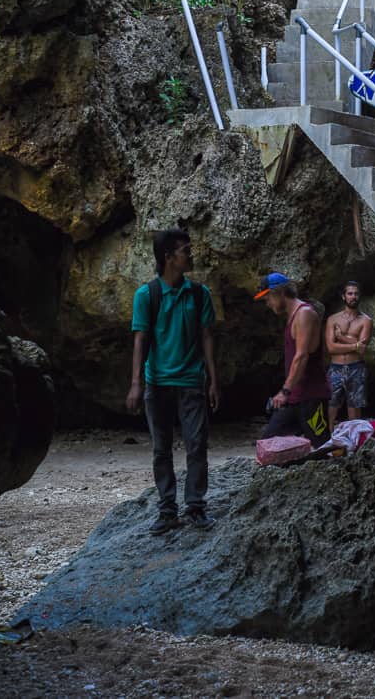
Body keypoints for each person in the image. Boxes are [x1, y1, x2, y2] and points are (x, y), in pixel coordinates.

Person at [127, 228, 219, 535]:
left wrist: (213, 381)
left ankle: (195, 507)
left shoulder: (199, 293)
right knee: (161, 449)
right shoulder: (147, 295)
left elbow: (207, 337)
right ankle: (167, 510)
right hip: (158, 383)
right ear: (168, 258)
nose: (190, 254)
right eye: (185, 250)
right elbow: (141, 340)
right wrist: (136, 384)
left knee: (197, 445)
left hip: (192, 381)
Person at [254, 272, 331, 446]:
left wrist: (284, 391)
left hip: (311, 396)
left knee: (322, 446)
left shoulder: (304, 313)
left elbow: (301, 356)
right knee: (268, 444)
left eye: (267, 298)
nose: (267, 303)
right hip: (295, 397)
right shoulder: (293, 316)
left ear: (279, 293)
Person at [325, 280, 374, 431]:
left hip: (356, 368)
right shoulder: (333, 319)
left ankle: (353, 442)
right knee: (331, 404)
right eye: (350, 293)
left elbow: (362, 350)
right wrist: (354, 344)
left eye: (356, 293)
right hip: (336, 368)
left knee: (354, 406)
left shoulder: (366, 321)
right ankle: (329, 438)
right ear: (343, 296)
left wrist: (341, 337)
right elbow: (331, 348)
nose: (353, 296)